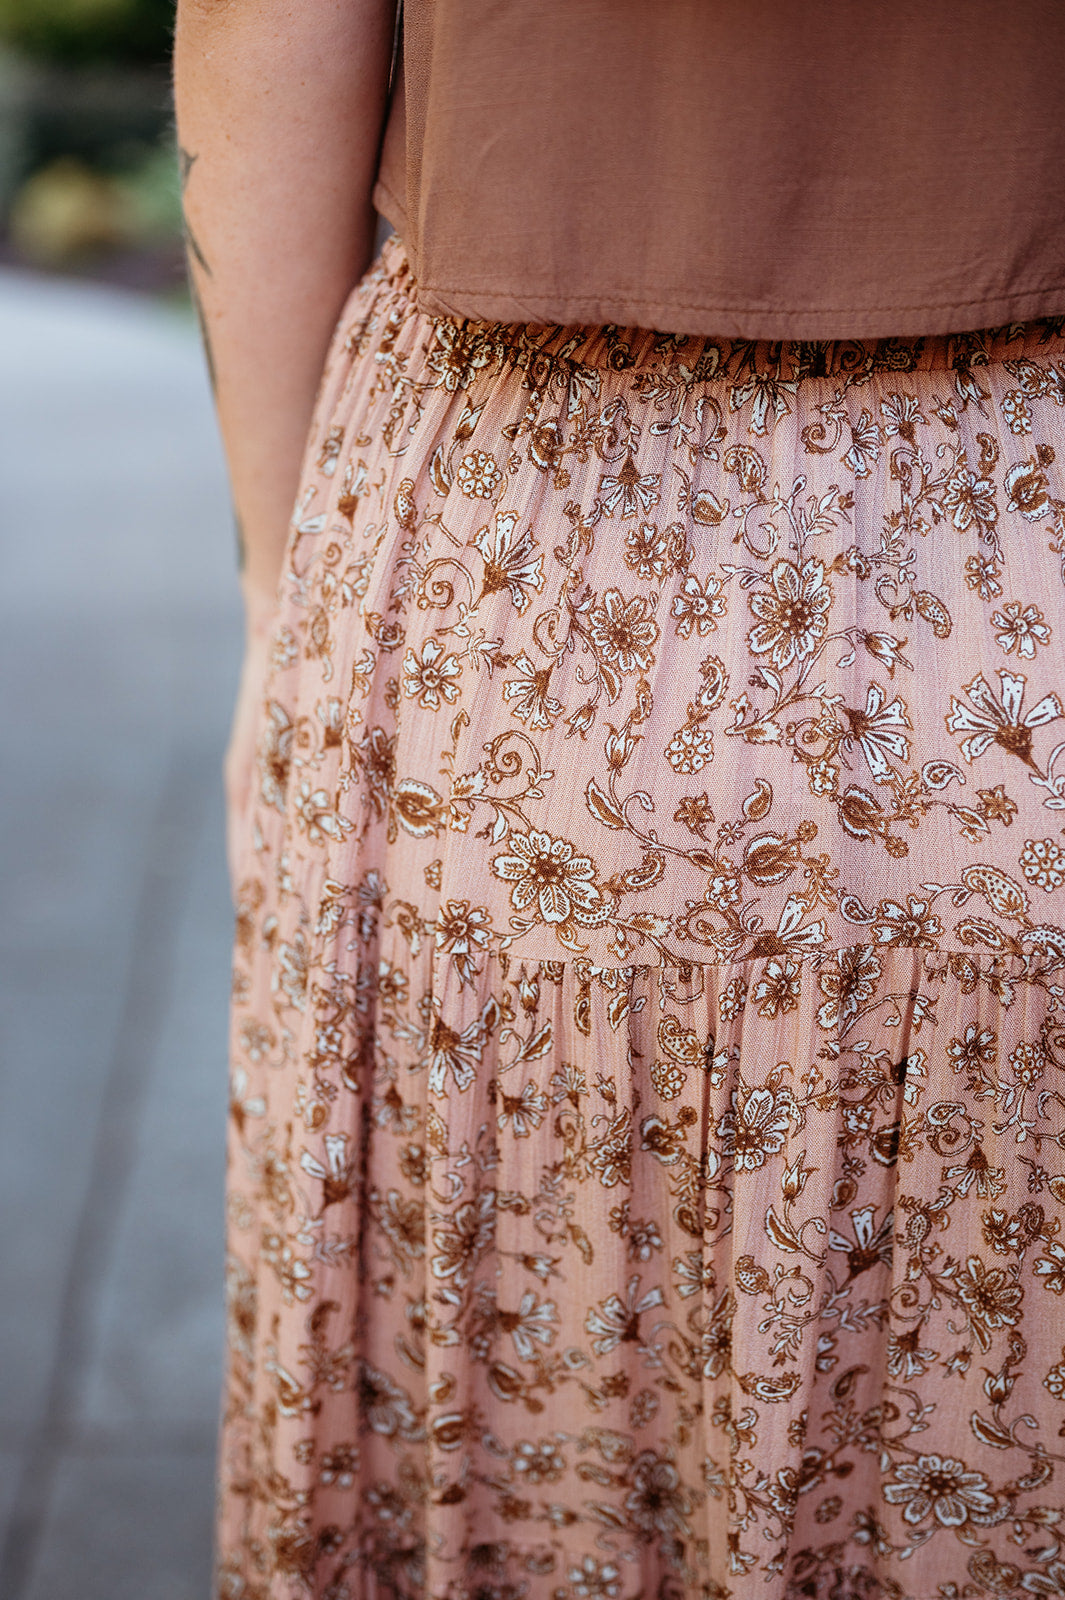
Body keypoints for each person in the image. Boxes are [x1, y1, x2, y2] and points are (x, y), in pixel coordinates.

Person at [173, 3, 1065, 1596]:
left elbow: (270, 27)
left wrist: (275, 586)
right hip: (1020, 547)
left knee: (535, 1366)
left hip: (515, 552)